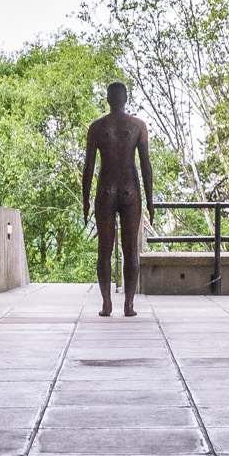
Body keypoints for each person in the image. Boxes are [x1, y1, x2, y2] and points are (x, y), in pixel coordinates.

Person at [80, 81, 156, 318]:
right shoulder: (137, 126)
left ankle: (106, 304)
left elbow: (88, 168)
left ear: (108, 100)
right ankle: (129, 305)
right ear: (126, 99)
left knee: (104, 249)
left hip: (105, 191)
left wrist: (85, 200)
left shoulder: (97, 128)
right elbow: (146, 167)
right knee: (130, 249)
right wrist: (150, 201)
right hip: (130, 190)